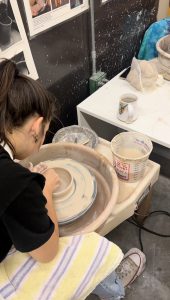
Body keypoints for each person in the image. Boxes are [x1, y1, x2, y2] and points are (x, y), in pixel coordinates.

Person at [0, 59, 146, 300]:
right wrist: (45, 190)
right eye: (44, 134)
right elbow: (46, 252)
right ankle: (114, 288)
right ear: (36, 128)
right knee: (93, 247)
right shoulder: (16, 181)